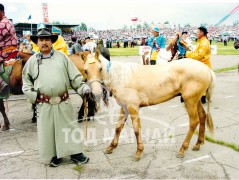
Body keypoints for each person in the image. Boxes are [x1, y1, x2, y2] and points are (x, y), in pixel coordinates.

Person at [22, 28, 90, 167]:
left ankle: (76, 153)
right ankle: (55, 155)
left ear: (52, 41)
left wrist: (83, 87)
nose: (44, 42)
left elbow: (74, 76)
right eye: (41, 40)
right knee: (49, 132)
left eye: (47, 39)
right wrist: (33, 96)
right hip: (44, 103)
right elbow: (26, 83)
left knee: (69, 128)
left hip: (63, 101)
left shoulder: (62, 57)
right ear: (37, 43)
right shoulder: (32, 61)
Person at [185, 26, 212, 104]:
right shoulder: (201, 41)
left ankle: (202, 97)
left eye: (197, 32)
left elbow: (199, 56)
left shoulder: (204, 43)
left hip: (203, 66)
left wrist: (187, 54)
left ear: (202, 33)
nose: (196, 34)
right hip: (200, 64)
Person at [0, 4, 17, 95]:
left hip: (7, 50)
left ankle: (2, 84)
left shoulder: (3, 23)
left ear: (2, 12)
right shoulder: (6, 21)